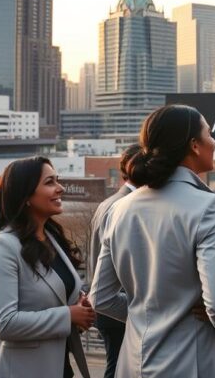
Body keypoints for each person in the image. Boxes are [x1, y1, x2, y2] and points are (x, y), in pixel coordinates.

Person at [90, 105, 215, 378]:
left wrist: (150, 313)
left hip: (133, 360)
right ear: (194, 145)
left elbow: (100, 297)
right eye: (209, 133)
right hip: (193, 360)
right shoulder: (208, 206)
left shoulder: (120, 209)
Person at [0, 156, 95, 378]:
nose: (60, 188)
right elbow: (5, 323)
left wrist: (80, 307)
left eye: (58, 180)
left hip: (58, 366)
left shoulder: (52, 239)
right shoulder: (1, 246)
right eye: (50, 182)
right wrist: (68, 315)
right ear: (25, 196)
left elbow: (55, 299)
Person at [85, 144, 142, 378]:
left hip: (104, 302)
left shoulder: (109, 202)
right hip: (116, 305)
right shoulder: (125, 206)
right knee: (119, 367)